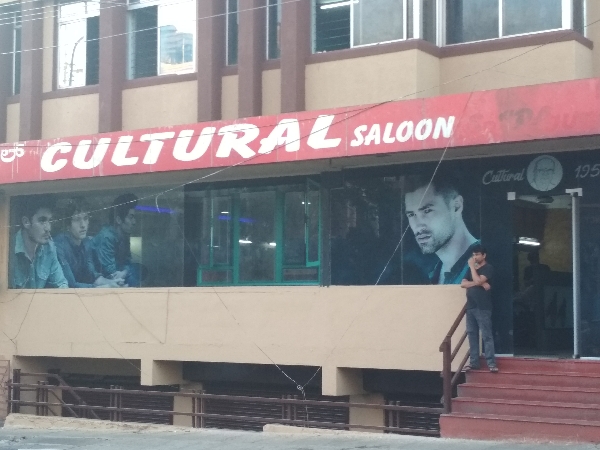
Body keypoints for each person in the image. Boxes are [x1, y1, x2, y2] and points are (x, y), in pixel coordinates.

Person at [404, 176, 478, 284]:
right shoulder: (433, 273)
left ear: (456, 206)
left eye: (427, 211)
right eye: (411, 214)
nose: (418, 225)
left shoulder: (483, 262)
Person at [54, 198, 119, 288]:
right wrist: (101, 288)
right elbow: (70, 285)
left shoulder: (86, 243)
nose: (83, 225)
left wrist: (112, 282)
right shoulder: (59, 245)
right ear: (68, 225)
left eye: (86, 218)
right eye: (77, 219)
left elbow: (92, 276)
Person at [10, 195, 68, 289]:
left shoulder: (49, 248)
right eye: (42, 221)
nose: (48, 228)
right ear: (26, 222)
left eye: (50, 221)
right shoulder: (7, 249)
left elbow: (61, 284)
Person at [461, 245, 497, 373]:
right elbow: (463, 284)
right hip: (471, 306)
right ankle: (474, 362)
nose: (474, 257)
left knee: (486, 335)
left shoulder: (488, 268)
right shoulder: (471, 270)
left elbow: (478, 280)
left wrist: (472, 267)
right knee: (472, 334)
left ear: (484, 255)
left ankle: (491, 363)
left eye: (477, 255)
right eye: (473, 255)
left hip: (483, 307)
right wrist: (479, 283)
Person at [93, 193, 140, 287]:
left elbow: (128, 263)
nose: (134, 222)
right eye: (131, 217)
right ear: (118, 220)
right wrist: (125, 272)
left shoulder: (124, 236)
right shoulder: (106, 237)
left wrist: (125, 272)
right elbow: (111, 273)